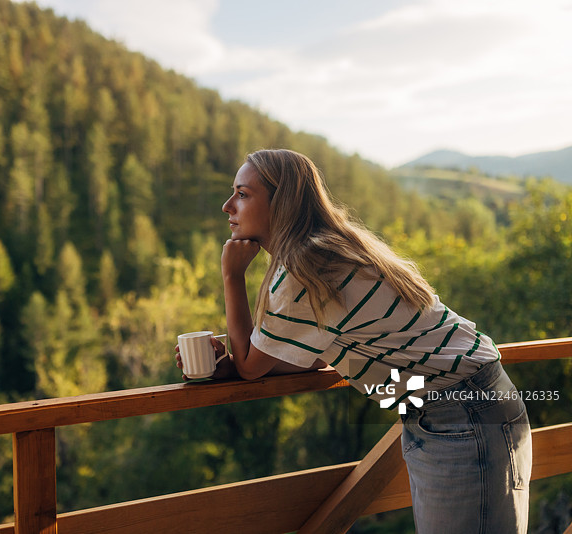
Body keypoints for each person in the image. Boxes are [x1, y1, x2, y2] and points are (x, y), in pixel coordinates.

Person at [175, 149, 532, 533]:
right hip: (459, 404)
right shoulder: (328, 249)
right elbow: (311, 356)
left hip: (460, 412)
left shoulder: (303, 270)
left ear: (281, 203)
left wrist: (232, 276)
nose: (228, 205)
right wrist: (232, 364)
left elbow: (250, 368)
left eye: (243, 194)